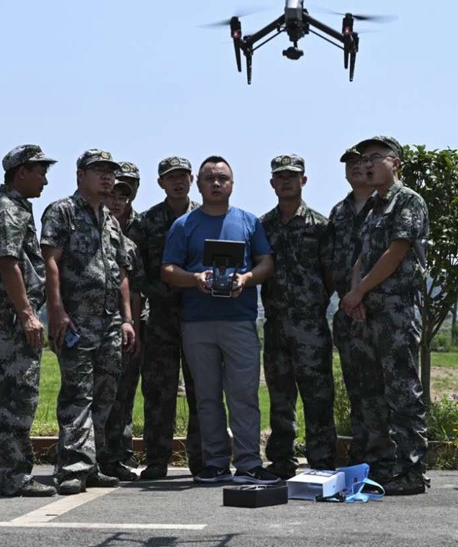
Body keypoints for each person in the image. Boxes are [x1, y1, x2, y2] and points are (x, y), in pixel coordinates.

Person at [161, 155, 277, 485]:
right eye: (209, 178)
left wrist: (246, 279)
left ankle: (250, 463)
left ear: (232, 184)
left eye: (222, 178)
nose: (216, 183)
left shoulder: (249, 222)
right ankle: (214, 463)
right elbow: (167, 270)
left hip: (239, 321)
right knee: (207, 397)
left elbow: (266, 263)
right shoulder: (184, 225)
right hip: (198, 322)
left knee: (244, 396)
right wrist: (196, 279)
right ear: (199, 184)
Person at [41, 149, 138, 495]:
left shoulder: (110, 220)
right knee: (77, 395)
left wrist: (127, 319)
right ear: (80, 174)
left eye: (110, 172)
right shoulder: (62, 212)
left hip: (109, 322)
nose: (107, 177)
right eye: (99, 170)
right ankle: (71, 468)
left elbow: (121, 272)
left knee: (105, 395)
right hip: (76, 321)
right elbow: (51, 262)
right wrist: (56, 310)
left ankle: (91, 463)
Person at [340, 135, 430, 496]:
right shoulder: (374, 206)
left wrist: (360, 290)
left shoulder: (407, 201)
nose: (367, 164)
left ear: (396, 163)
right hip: (370, 312)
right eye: (364, 159)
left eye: (376, 157)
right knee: (371, 393)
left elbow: (396, 252)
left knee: (402, 392)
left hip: (396, 310)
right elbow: (364, 256)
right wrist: (354, 293)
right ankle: (381, 465)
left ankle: (411, 472)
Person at [0, 144, 58, 497]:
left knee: (2, 397)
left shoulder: (13, 208)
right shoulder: (7, 211)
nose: (44, 179)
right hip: (13, 316)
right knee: (18, 397)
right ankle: (14, 475)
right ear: (20, 172)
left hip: (9, 314)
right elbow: (8, 262)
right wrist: (27, 314)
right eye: (39, 171)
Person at [259, 154, 337, 478]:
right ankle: (281, 461)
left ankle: (321, 461)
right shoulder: (262, 226)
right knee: (280, 399)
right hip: (276, 325)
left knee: (318, 398)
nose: (287, 181)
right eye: (281, 176)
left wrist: (315, 300)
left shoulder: (320, 226)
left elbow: (332, 272)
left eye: (293, 176)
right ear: (272, 183)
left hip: (311, 326)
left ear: (303, 181)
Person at [131, 156, 203, 480]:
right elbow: (136, 271)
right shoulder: (146, 222)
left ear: (192, 178)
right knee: (158, 391)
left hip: (199, 315)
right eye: (170, 177)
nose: (177, 182)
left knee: (202, 390)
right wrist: (159, 290)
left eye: (182, 176)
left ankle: (201, 460)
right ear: (160, 183)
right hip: (161, 317)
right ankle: (157, 459)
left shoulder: (208, 217)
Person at [326, 146, 385, 469]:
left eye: (363, 163)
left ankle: (389, 458)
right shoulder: (339, 212)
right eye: (350, 164)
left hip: (380, 310)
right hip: (348, 313)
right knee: (357, 389)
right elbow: (331, 262)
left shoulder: (387, 207)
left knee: (386, 389)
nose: (357, 169)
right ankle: (363, 457)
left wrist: (361, 293)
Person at [101, 177, 146, 481]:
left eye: (123, 197)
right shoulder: (82, 227)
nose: (117, 201)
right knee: (92, 395)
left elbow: (136, 287)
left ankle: (117, 456)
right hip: (91, 324)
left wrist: (133, 324)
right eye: (112, 195)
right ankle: (88, 457)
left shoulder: (130, 240)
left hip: (125, 324)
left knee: (123, 394)